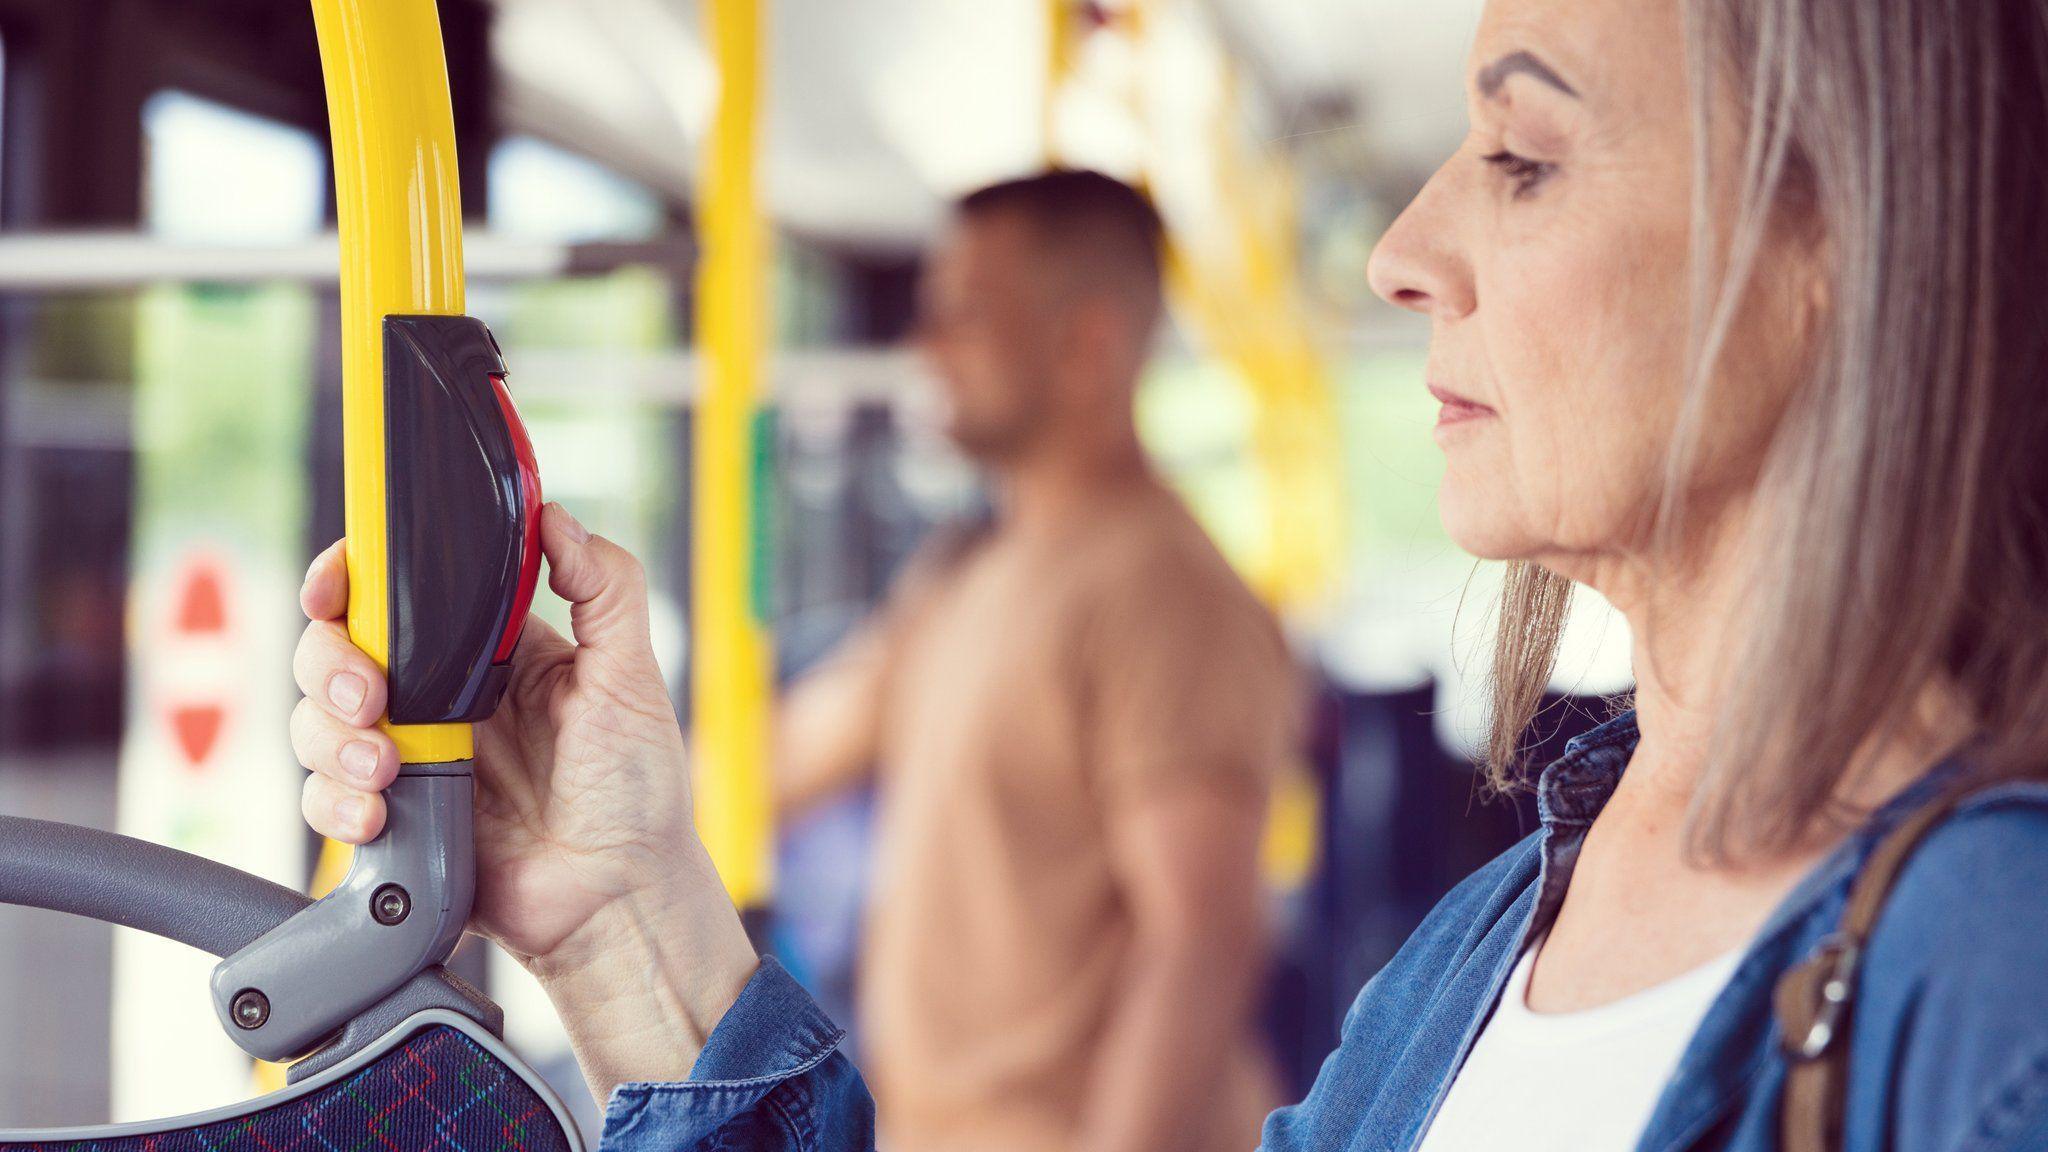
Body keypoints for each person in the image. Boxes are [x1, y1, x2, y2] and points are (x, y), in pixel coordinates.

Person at [286, 0, 2048, 1148]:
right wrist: (615, 905)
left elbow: (1195, 929)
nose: (1400, 250)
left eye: (1518, 158)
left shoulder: (1991, 976)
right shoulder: (1491, 938)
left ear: (1833, 252)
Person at [770, 170, 1297, 1151]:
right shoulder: (961, 576)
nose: (923, 346)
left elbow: (1201, 940)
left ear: (1087, 343)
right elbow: (778, 759)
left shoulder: (1162, 591)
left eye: (962, 315)